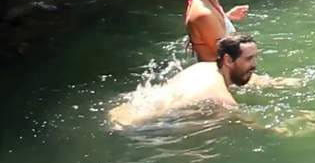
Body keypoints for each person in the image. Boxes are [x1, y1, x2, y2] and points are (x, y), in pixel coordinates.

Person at [108, 35, 301, 128]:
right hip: (134, 129)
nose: (255, 65)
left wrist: (276, 82)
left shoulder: (203, 68)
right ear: (228, 60)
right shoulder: (222, 99)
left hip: (122, 110)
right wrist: (289, 126)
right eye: (249, 59)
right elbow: (253, 122)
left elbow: (243, 79)